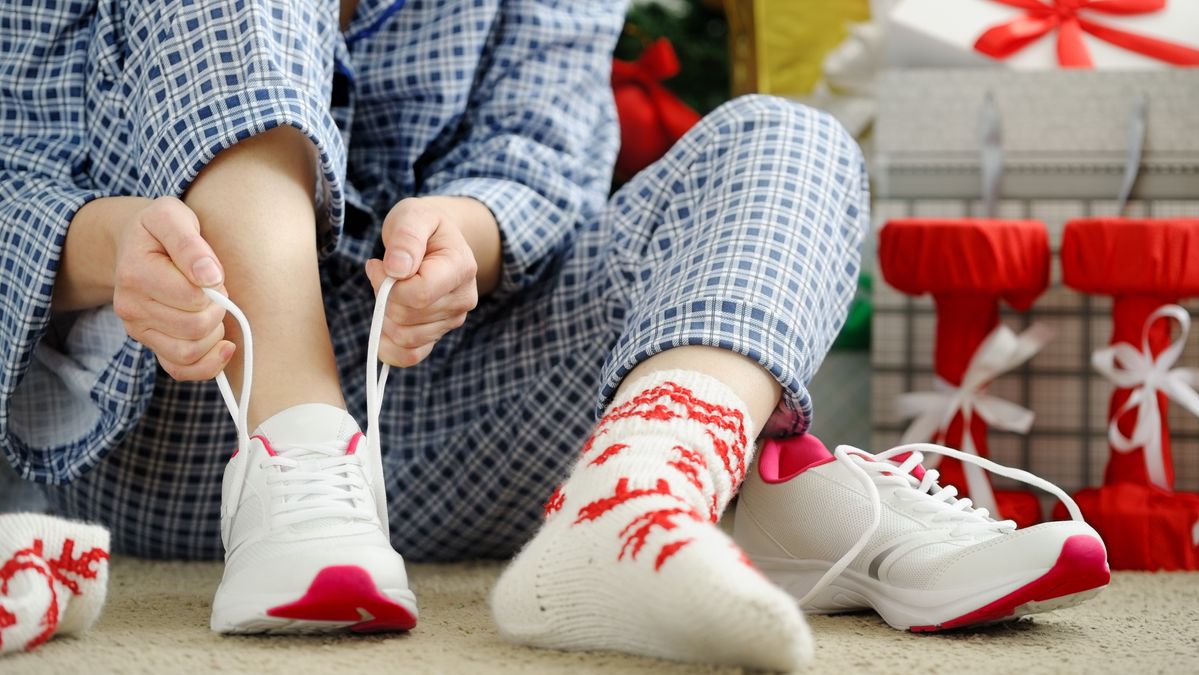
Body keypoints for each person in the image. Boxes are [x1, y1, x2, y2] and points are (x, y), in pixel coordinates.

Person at [0, 0, 1108, 668]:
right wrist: (110, 250)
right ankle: (782, 501)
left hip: (465, 404)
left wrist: (471, 236)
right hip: (185, 404)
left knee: (789, 142)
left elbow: (543, 154)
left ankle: (641, 497)